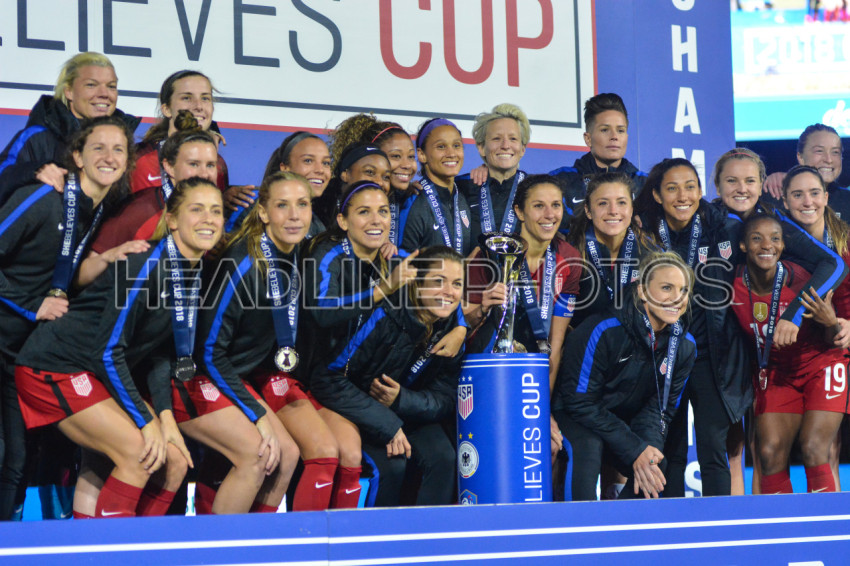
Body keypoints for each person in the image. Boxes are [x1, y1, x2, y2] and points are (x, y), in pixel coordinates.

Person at [14, 176, 227, 518]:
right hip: (55, 367)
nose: (208, 219)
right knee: (140, 456)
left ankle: (127, 542)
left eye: (216, 210)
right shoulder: (144, 266)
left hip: (93, 371)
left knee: (173, 461)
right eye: (197, 209)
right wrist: (146, 421)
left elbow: (157, 353)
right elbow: (107, 352)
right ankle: (115, 545)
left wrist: (165, 418)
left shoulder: (194, 271)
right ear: (172, 219)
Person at [195, 171, 361, 512]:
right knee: (272, 452)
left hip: (251, 373)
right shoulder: (242, 265)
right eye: (283, 205)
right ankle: (220, 541)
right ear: (263, 212)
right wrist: (256, 414)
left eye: (303, 205)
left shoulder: (299, 253)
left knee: (288, 454)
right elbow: (209, 353)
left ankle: (265, 540)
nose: (295, 215)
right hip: (209, 374)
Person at [0, 116, 135, 520]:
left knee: (17, 460)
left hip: (20, 349)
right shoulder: (44, 197)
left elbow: (62, 272)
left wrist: (108, 259)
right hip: (8, 332)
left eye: (118, 149)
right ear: (77, 156)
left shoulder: (97, 211)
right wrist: (32, 306)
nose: (109, 157)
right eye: (98, 148)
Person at [311, 246, 465, 507]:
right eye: (438, 281)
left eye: (457, 284)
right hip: (357, 411)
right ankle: (376, 534)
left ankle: (427, 532)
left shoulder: (453, 330)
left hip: (405, 411)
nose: (449, 292)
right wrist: (387, 423)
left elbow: (446, 397)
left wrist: (401, 400)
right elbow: (327, 378)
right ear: (417, 283)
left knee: (444, 457)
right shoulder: (383, 314)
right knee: (392, 467)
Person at [634, 158, 750, 497]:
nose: (682, 196)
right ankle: (668, 524)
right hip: (662, 357)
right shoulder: (643, 235)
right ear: (657, 195)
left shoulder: (724, 227)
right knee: (668, 450)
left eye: (690, 187)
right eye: (672, 188)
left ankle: (719, 523)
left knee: (713, 449)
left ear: (701, 191)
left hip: (710, 360)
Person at [552, 251, 697, 500]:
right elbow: (580, 402)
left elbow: (659, 410)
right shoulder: (603, 330)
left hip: (620, 422)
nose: (677, 298)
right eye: (666, 288)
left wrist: (646, 452)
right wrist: (634, 448)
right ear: (642, 291)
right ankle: (579, 524)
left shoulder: (685, 346)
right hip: (575, 415)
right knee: (589, 447)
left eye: (683, 290)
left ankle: (620, 523)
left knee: (655, 465)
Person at [730, 213, 848, 493]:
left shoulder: (805, 282)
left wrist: (830, 322)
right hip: (776, 372)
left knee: (814, 447)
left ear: (784, 246)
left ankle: (822, 519)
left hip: (821, 365)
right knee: (769, 452)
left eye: (775, 239)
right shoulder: (733, 287)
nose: (766, 245)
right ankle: (780, 520)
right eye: (756, 238)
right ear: (743, 245)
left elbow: (834, 339)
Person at [0, 52, 139, 204]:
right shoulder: (37, 137)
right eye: (91, 85)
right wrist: (35, 171)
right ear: (69, 91)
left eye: (111, 86)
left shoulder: (124, 140)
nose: (104, 94)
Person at [86, 111, 218, 269]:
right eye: (193, 164)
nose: (204, 174)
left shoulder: (214, 213)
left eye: (210, 165)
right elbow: (83, 273)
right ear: (169, 167)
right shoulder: (139, 212)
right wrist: (110, 260)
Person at [131, 70, 254, 211]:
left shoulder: (218, 165)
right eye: (187, 98)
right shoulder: (138, 160)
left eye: (205, 98)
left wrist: (222, 200)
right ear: (167, 109)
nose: (198, 106)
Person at [566, 171, 658, 329]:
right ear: (588, 210)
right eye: (603, 203)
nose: (613, 211)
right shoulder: (570, 254)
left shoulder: (652, 255)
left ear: (631, 209)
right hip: (585, 343)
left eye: (621, 202)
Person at [550, 93, 646, 230]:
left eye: (620, 130)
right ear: (588, 139)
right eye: (605, 130)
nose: (614, 137)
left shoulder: (645, 185)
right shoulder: (559, 181)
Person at [225, 131, 332, 236]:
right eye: (308, 161)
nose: (320, 170)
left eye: (326, 163)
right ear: (285, 168)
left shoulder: (317, 226)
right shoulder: (249, 201)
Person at [456, 103, 531, 242]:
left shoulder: (535, 189)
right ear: (481, 147)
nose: (505, 145)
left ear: (522, 149)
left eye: (513, 139)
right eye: (497, 138)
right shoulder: (460, 187)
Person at [400, 118, 473, 256]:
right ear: (422, 155)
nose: (451, 154)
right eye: (441, 147)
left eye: (456, 145)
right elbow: (401, 258)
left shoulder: (465, 196)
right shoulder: (413, 201)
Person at [763, 124, 850, 220]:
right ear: (800, 157)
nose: (829, 159)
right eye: (819, 151)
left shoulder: (847, 200)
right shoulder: (775, 193)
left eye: (835, 152)